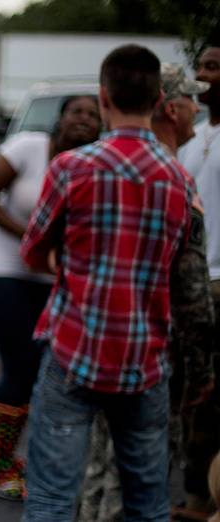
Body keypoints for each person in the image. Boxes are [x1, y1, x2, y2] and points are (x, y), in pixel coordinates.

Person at [19, 44, 195, 520]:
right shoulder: (180, 180)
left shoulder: (72, 168)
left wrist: (65, 258)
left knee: (53, 499)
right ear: (160, 99)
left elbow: (33, 251)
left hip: (75, 350)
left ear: (103, 98)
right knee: (147, 503)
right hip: (145, 359)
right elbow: (177, 265)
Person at [75, 62, 215, 522]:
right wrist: (200, 370)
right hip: (152, 349)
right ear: (171, 108)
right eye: (191, 100)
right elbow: (191, 290)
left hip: (94, 342)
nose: (198, 107)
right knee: (137, 470)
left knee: (100, 462)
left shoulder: (100, 167)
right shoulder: (172, 178)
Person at [0, 95, 101, 501]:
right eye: (77, 111)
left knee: (55, 373)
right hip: (2, 273)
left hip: (59, 283)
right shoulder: (28, 148)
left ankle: (38, 463)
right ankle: (0, 466)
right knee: (21, 366)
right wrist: (30, 238)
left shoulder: (99, 167)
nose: (84, 119)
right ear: (60, 120)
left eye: (93, 115)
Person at [179, 42, 220, 521]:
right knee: (193, 395)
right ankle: (196, 498)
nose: (204, 75)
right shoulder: (194, 136)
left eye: (213, 67)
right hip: (192, 283)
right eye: (202, 66)